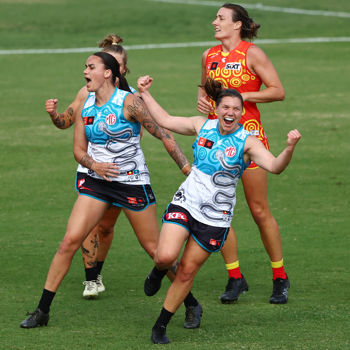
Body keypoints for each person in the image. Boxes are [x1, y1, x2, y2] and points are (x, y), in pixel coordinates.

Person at [20, 52, 200, 329]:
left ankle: (191, 303)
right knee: (69, 241)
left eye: (91, 67)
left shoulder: (130, 103)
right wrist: (95, 165)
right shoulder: (86, 106)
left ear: (108, 73)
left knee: (155, 250)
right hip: (97, 182)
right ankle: (42, 311)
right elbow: (78, 151)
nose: (85, 71)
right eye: (85, 67)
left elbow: (164, 134)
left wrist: (186, 169)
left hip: (131, 182)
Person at [137, 75, 301, 344]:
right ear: (217, 108)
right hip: (187, 203)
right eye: (226, 107)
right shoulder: (202, 125)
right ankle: (158, 270)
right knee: (165, 256)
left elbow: (275, 166)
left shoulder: (248, 143)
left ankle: (160, 326)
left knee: (188, 271)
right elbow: (165, 120)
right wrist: (144, 93)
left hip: (216, 217)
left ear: (240, 113)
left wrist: (290, 148)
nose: (231, 112)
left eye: (236, 109)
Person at [197, 3, 289, 304]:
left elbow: (278, 90)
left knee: (259, 210)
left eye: (221, 18)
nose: (215, 22)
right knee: (217, 208)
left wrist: (241, 97)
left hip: (249, 143)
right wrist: (203, 101)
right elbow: (204, 91)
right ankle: (235, 277)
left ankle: (280, 276)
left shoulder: (252, 54)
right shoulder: (208, 56)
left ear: (237, 24)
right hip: (217, 144)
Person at [45, 34, 141, 299]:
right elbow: (67, 121)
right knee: (85, 227)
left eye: (118, 64)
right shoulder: (85, 93)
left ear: (121, 69)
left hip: (123, 175)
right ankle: (90, 279)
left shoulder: (133, 98)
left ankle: (97, 272)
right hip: (90, 170)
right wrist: (54, 115)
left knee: (106, 227)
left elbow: (150, 132)